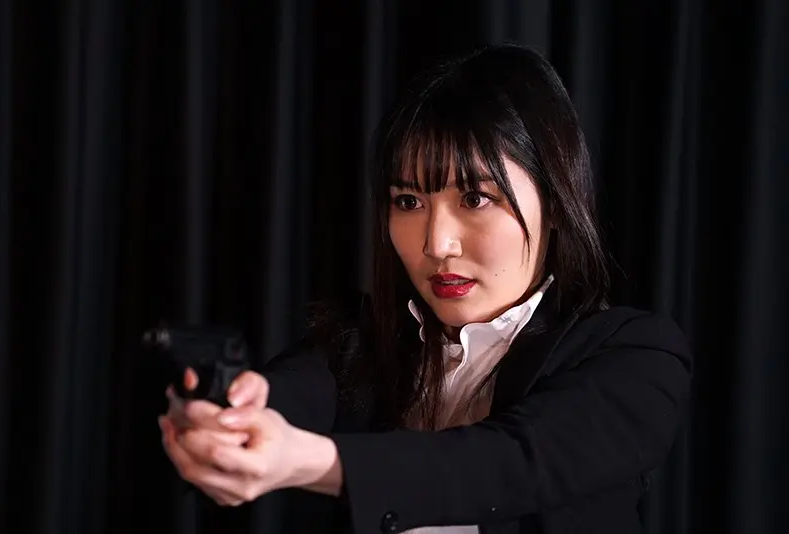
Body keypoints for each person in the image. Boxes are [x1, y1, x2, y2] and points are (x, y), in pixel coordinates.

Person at [158, 43, 693, 534]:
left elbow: (507, 463)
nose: (437, 244)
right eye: (409, 202)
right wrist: (230, 423)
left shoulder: (636, 358)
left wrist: (313, 462)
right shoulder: (358, 343)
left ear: (554, 203)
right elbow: (282, 399)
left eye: (475, 199)